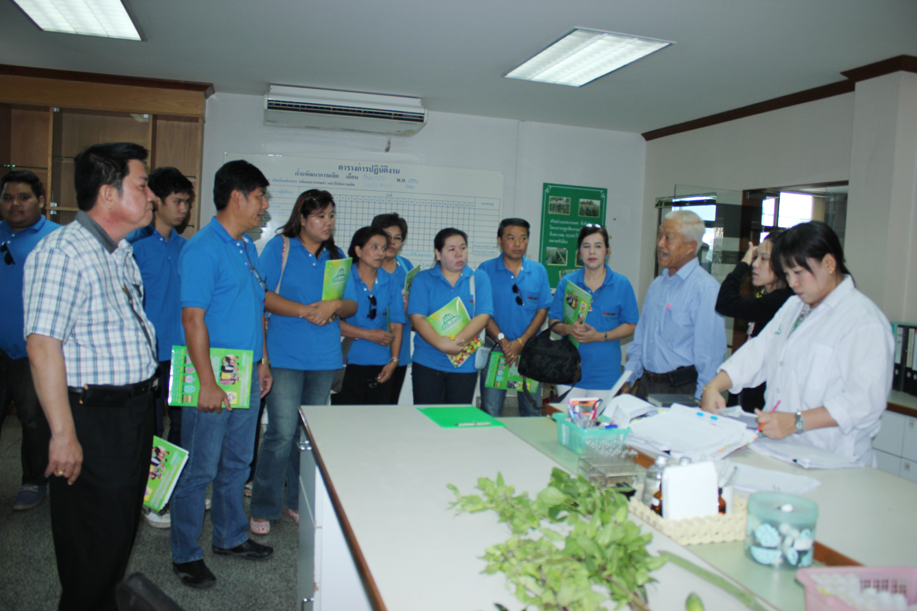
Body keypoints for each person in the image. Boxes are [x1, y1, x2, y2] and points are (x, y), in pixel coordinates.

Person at [23, 143, 158, 611]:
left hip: (131, 413)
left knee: (116, 535)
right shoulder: (64, 252)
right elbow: (42, 346)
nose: (152, 196)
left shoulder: (119, 251)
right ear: (107, 194)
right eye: (143, 185)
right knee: (92, 546)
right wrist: (63, 436)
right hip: (92, 418)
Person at [701, 221, 894, 467]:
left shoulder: (863, 321)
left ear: (829, 263)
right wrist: (714, 387)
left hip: (835, 462)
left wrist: (796, 421)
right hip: (780, 451)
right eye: (787, 274)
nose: (792, 283)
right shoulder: (794, 307)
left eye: (799, 273)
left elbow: (864, 402)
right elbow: (759, 353)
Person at [170, 160, 274, 589]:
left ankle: (230, 537)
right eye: (260, 197)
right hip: (210, 376)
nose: (264, 206)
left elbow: (256, 308)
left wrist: (263, 361)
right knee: (200, 468)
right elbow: (192, 319)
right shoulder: (202, 248)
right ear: (237, 197)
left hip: (245, 373)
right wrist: (207, 383)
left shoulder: (245, 247)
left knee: (237, 462)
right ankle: (185, 553)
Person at [249, 189, 356, 536]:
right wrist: (304, 311)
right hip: (284, 356)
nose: (328, 223)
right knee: (281, 432)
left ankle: (297, 501)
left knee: (307, 435)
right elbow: (262, 295)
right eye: (320, 216)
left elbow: (351, 304)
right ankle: (263, 506)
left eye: (331, 216)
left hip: (324, 358)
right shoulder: (280, 248)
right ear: (302, 218)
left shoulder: (336, 256)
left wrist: (334, 306)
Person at [0, 170, 60, 511]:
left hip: (33, 351)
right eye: (8, 197)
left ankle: (34, 480)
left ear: (40, 201)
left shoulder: (56, 238)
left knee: (33, 419)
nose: (15, 204)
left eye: (23, 197)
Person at [623, 210, 726, 401]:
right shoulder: (657, 285)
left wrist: (700, 400)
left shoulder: (705, 289)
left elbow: (710, 358)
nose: (660, 243)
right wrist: (628, 378)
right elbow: (641, 340)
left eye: (668, 238)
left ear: (690, 246)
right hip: (646, 386)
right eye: (659, 235)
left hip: (682, 391)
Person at [129, 167, 194, 446]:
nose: (184, 209)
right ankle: (147, 475)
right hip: (147, 352)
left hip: (182, 351)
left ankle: (175, 474)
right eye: (177, 201)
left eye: (187, 202)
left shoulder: (186, 247)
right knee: (150, 426)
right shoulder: (134, 244)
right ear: (156, 201)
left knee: (183, 426)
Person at [548, 225, 639, 398]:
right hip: (568, 370)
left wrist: (601, 336)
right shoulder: (567, 283)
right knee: (567, 416)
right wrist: (568, 329)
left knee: (600, 417)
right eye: (586, 246)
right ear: (579, 252)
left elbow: (632, 324)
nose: (592, 252)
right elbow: (553, 321)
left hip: (605, 374)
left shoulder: (621, 284)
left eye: (598, 246)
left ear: (607, 251)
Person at [408, 228, 492, 405]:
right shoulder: (423, 279)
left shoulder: (479, 278)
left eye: (463, 248)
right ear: (438, 254)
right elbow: (418, 318)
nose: (459, 253)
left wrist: (455, 342)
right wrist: (442, 345)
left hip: (465, 362)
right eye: (451, 249)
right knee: (426, 417)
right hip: (427, 360)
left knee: (457, 418)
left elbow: (483, 316)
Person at [478, 218, 552, 416]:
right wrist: (504, 342)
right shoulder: (485, 270)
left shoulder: (538, 271)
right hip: (495, 349)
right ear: (499, 240)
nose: (517, 244)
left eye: (523, 238)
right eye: (511, 238)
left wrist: (520, 342)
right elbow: (483, 312)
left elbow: (542, 311)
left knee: (532, 411)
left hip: (530, 351)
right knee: (490, 410)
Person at [714, 231, 793, 412]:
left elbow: (725, 303)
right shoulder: (770, 297)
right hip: (748, 396)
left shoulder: (782, 300)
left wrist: (743, 264)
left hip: (764, 403)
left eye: (764, 259)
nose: (755, 264)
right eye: (756, 258)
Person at [338, 227, 406, 404]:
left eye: (383, 248)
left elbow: (396, 324)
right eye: (374, 247)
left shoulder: (390, 280)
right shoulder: (342, 277)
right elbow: (331, 322)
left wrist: (393, 361)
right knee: (344, 417)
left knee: (377, 418)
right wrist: (368, 334)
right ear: (358, 250)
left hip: (381, 362)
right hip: (346, 360)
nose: (380, 253)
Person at [370, 213, 413, 404]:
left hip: (399, 352)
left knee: (389, 408)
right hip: (371, 348)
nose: (392, 242)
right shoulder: (366, 267)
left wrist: (410, 306)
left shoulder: (406, 267)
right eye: (387, 236)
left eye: (398, 238)